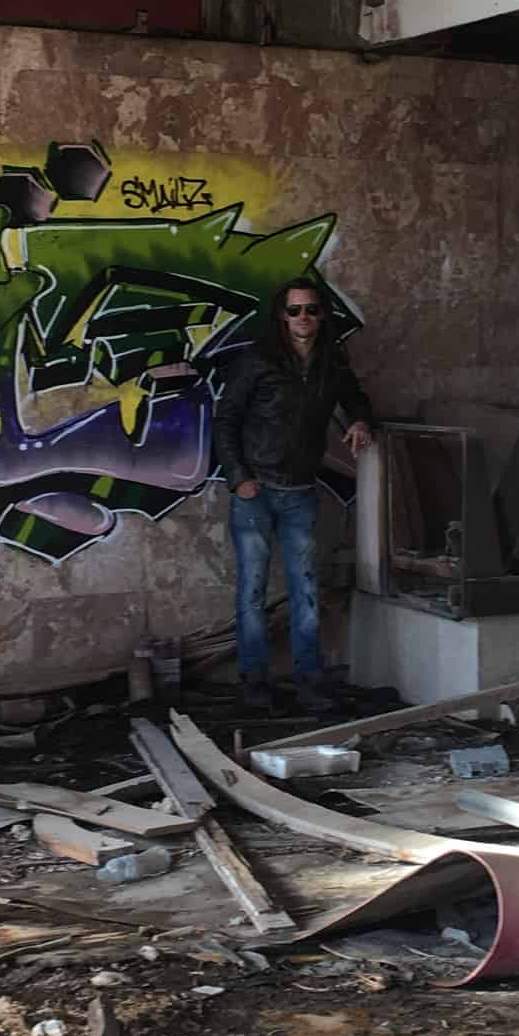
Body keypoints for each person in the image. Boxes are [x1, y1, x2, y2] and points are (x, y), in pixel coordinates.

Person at [212, 279, 375, 712]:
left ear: (322, 315)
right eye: (294, 311)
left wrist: (359, 420)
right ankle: (255, 681)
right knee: (252, 590)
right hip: (256, 491)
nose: (303, 318)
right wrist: (238, 477)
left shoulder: (330, 362)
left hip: (300, 490)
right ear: (281, 316)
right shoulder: (259, 360)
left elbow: (355, 396)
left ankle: (309, 682)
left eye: (311, 310)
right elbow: (225, 419)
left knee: (305, 590)